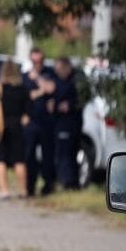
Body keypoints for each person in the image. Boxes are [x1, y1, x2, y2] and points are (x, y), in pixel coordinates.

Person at [0, 61, 30, 199]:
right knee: (19, 160)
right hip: (16, 128)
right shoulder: (22, 89)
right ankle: (23, 191)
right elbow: (29, 110)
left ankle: (4, 191)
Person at [23, 48, 58, 196]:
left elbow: (51, 88)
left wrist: (38, 79)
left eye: (39, 61)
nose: (37, 64)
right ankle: (29, 186)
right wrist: (41, 91)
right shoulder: (25, 77)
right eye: (34, 61)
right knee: (29, 155)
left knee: (47, 155)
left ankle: (48, 185)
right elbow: (27, 95)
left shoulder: (49, 73)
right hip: (31, 121)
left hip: (47, 122)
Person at [52, 57, 82, 190]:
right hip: (61, 123)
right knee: (64, 154)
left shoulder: (76, 80)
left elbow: (81, 99)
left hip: (69, 124)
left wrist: (68, 105)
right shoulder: (58, 79)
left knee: (67, 155)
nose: (57, 72)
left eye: (59, 69)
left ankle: (69, 183)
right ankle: (68, 182)